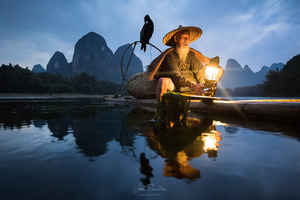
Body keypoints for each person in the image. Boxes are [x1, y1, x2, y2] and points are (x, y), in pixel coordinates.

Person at [146, 25, 224, 103]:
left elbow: (199, 71)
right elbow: (175, 75)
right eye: (183, 37)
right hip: (176, 87)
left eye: (188, 38)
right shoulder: (171, 55)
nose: (186, 40)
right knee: (163, 81)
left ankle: (206, 103)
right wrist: (192, 84)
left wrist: (202, 84)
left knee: (218, 73)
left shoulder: (191, 55)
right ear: (176, 39)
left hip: (193, 88)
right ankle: (162, 109)